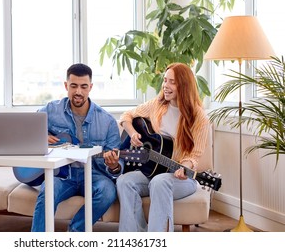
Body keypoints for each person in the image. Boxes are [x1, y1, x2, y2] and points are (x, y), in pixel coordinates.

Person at [104, 62, 209, 232]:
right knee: (124, 181)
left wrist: (185, 167)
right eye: (165, 80)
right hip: (154, 172)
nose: (166, 86)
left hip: (181, 178)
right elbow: (127, 115)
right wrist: (132, 133)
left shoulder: (199, 117)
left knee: (160, 182)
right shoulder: (157, 105)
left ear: (184, 85)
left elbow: (194, 156)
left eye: (172, 82)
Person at [31, 63, 123, 232]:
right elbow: (29, 126)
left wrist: (114, 165)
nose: (78, 92)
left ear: (91, 87)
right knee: (47, 192)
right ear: (66, 86)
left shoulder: (107, 121)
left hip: (93, 174)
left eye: (83, 86)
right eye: (73, 86)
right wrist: (40, 136)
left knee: (108, 191)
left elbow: (117, 165)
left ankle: (74, 233)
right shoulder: (52, 110)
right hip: (62, 174)